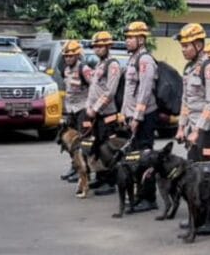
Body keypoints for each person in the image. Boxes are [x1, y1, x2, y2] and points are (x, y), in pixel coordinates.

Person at [176, 22, 210, 234]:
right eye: (183, 45)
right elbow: (186, 101)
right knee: (195, 175)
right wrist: (182, 127)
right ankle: (198, 217)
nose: (183, 49)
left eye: (187, 45)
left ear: (198, 44)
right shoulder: (189, 69)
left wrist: (199, 130)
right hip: (194, 131)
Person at [84, 30, 124, 194]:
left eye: (100, 46)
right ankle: (101, 178)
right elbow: (93, 89)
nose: (97, 50)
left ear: (108, 46)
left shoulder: (113, 65)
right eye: (95, 47)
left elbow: (110, 92)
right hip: (96, 115)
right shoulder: (99, 65)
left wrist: (95, 108)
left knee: (109, 149)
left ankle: (110, 182)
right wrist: (88, 106)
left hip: (107, 115)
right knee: (98, 147)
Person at [121, 20, 159, 153]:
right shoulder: (133, 59)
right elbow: (129, 91)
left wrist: (137, 117)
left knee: (144, 154)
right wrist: (124, 113)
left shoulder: (145, 60)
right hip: (133, 115)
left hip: (145, 116)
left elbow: (144, 91)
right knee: (133, 154)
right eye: (126, 38)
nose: (127, 41)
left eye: (131, 38)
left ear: (141, 40)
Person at [60, 39, 94, 181]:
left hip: (82, 109)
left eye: (71, 56)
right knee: (70, 142)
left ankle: (85, 171)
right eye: (66, 56)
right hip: (70, 110)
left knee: (83, 141)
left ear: (77, 55)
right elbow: (68, 91)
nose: (68, 58)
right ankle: (75, 167)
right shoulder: (66, 70)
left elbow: (94, 87)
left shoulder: (84, 69)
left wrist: (91, 107)